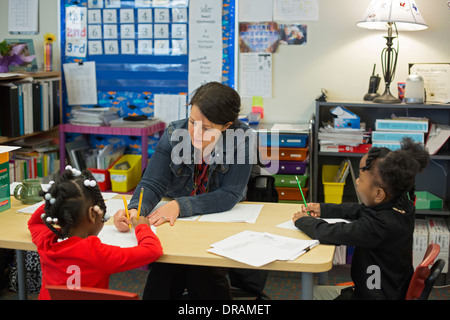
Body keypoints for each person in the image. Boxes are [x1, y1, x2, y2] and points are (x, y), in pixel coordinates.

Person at [114, 81, 256, 300]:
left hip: (218, 222)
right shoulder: (174, 132)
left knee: (203, 271)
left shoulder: (242, 140)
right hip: (177, 226)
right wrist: (134, 209)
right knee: (165, 268)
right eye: (192, 121)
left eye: (207, 128)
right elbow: (152, 182)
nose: (195, 132)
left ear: (226, 125)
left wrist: (180, 205)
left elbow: (230, 194)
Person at [293, 137, 430, 300]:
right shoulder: (400, 204)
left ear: (379, 194)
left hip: (374, 295)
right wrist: (323, 208)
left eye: (361, 178)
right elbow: (359, 210)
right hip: (387, 289)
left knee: (309, 295)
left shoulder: (378, 226)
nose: (357, 181)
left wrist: (302, 220)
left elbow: (334, 233)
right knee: (313, 292)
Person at [28, 166, 163, 300]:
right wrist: (142, 227)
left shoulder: (46, 242)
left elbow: (34, 223)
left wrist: (57, 200)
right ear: (92, 214)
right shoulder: (98, 254)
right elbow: (153, 250)